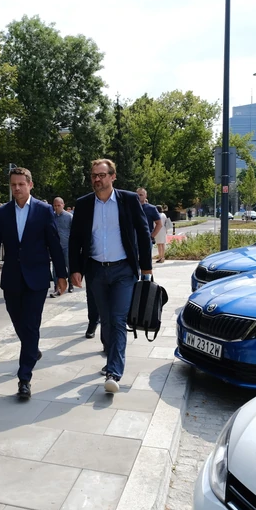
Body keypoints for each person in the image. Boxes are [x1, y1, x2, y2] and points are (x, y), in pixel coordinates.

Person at [0, 167, 68, 400]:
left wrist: (61, 275)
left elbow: (54, 244)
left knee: (31, 324)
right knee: (19, 322)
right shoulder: (3, 212)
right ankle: (32, 349)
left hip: (37, 278)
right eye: (13, 185)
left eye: (21, 184)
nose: (17, 188)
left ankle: (24, 378)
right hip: (11, 278)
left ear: (30, 184)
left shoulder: (44, 210)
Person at [71, 160, 153, 393]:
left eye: (102, 175)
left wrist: (146, 268)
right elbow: (75, 239)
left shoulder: (128, 200)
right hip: (95, 270)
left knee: (117, 319)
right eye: (94, 175)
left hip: (123, 270)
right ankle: (110, 356)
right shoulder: (84, 204)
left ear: (113, 176)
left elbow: (143, 233)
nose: (97, 179)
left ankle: (114, 372)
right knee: (105, 319)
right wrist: (75, 269)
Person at [50, 197, 73, 297]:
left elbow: (74, 232)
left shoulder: (69, 217)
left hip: (67, 246)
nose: (56, 207)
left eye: (58, 205)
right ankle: (57, 287)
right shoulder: (51, 216)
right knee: (56, 268)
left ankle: (70, 284)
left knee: (69, 265)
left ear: (63, 205)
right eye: (55, 206)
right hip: (56, 247)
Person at [136, 188, 162, 252]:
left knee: (145, 257)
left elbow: (159, 224)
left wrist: (151, 236)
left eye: (141, 195)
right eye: (137, 195)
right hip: (134, 238)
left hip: (146, 239)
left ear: (146, 196)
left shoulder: (151, 208)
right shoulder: (131, 207)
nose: (139, 196)